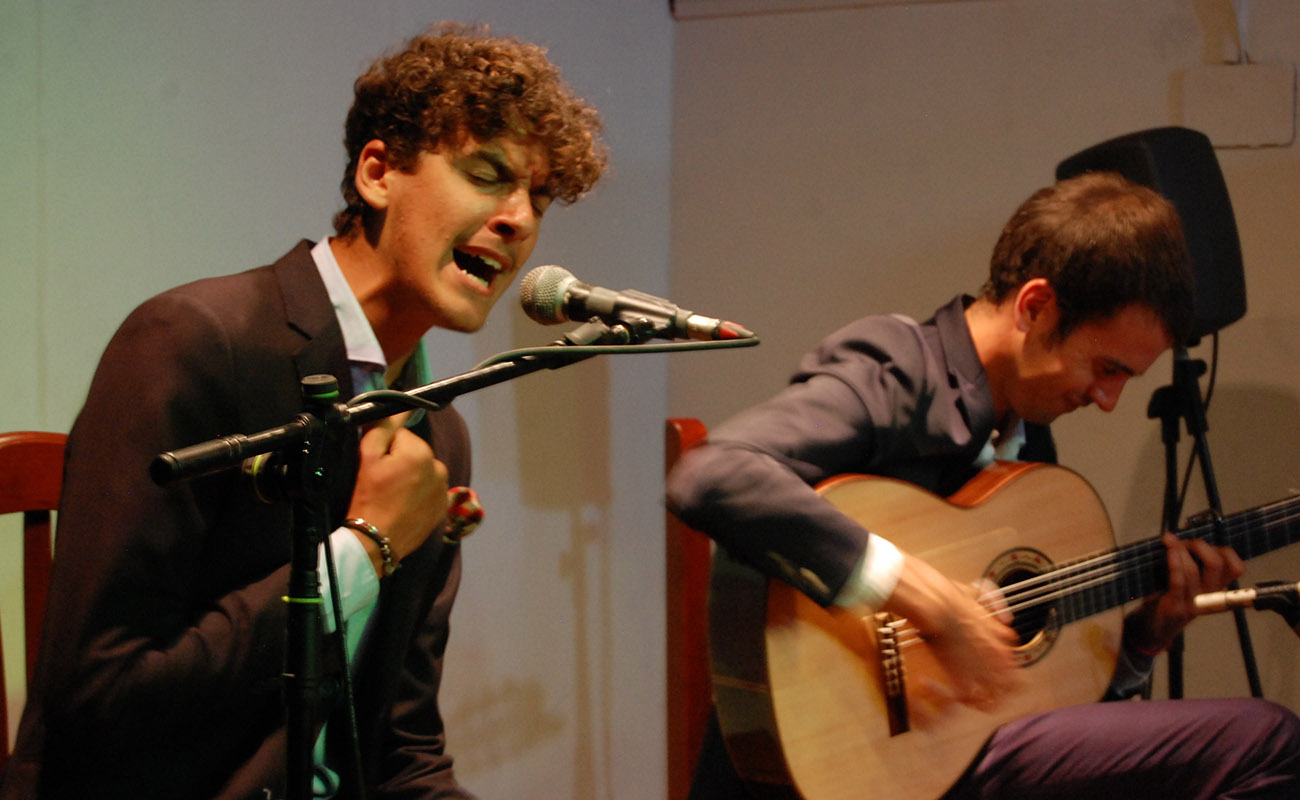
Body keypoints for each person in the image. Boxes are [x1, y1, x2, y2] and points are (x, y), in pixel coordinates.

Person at [1, 22, 606, 800]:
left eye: (540, 198)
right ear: (379, 172)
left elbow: (402, 750)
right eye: (487, 174)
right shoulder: (192, 341)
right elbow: (103, 699)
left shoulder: (435, 434)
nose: (519, 220)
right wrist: (364, 548)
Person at [666, 172, 1300, 799]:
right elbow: (712, 474)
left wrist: (1141, 641)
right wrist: (928, 599)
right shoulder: (898, 369)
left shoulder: (1028, 436)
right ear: (1034, 306)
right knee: (1267, 738)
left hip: (947, 756)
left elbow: (1028, 700)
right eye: (1107, 369)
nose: (1109, 400)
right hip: (836, 764)